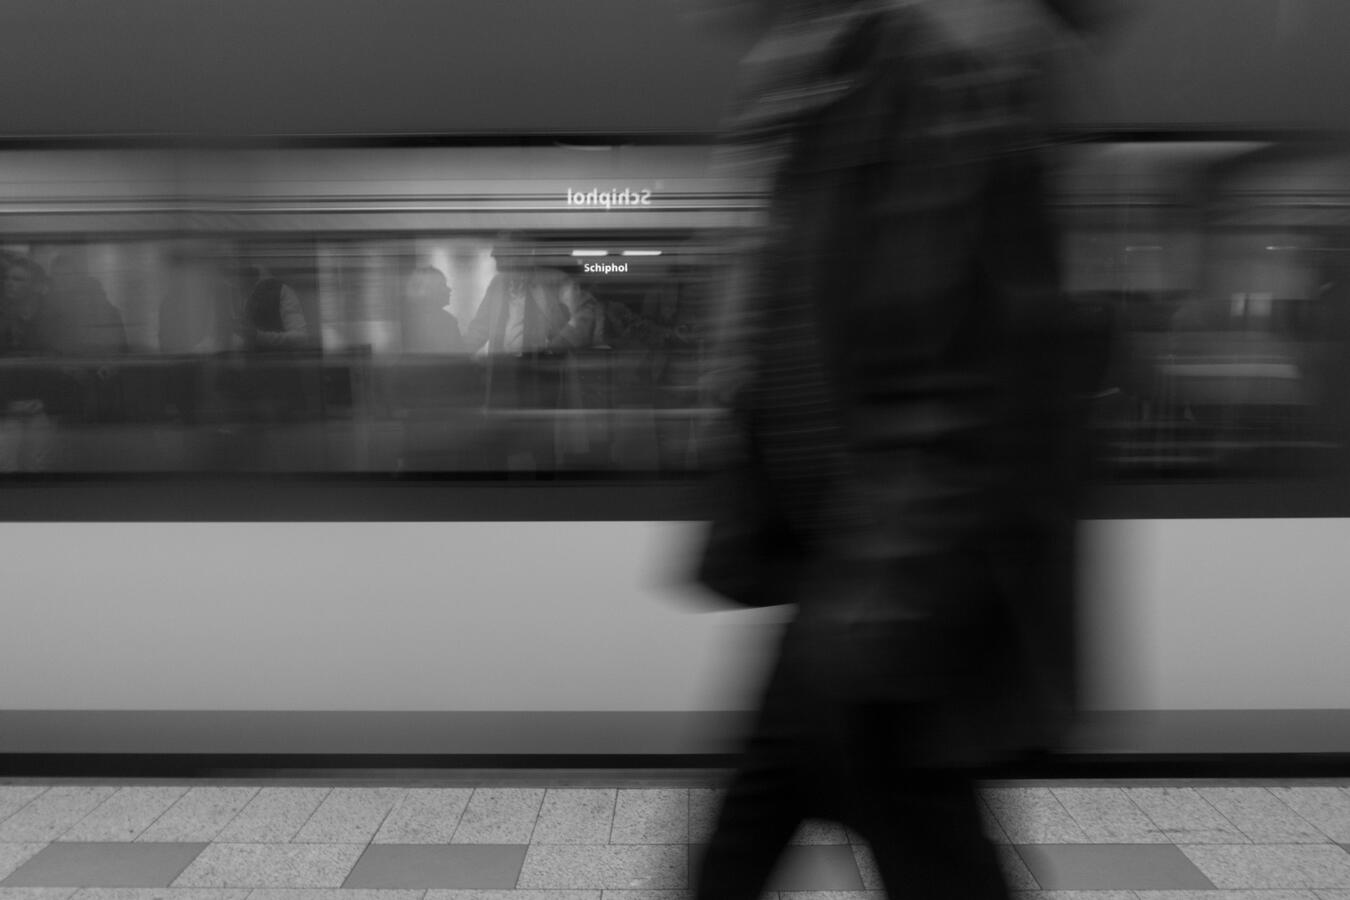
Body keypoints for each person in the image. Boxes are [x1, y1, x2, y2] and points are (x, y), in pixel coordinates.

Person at [691, 1, 1118, 899]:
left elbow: (947, 369)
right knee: (748, 847)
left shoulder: (923, 84)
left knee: (902, 853)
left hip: (881, 586)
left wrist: (879, 589)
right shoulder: (834, 99)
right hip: (843, 578)